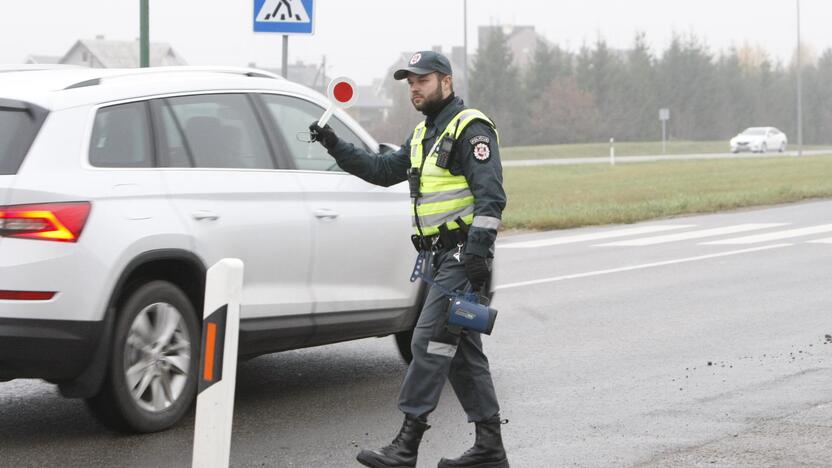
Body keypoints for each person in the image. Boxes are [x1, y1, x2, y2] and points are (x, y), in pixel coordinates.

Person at [308, 50, 509, 468]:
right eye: (410, 82)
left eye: (423, 80)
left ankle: (407, 445)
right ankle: (489, 447)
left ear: (446, 83)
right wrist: (334, 144)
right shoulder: (423, 136)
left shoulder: (469, 128)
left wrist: (477, 255)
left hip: (460, 258)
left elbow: (491, 197)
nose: (414, 88)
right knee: (463, 350)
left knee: (428, 341)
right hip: (435, 260)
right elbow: (381, 170)